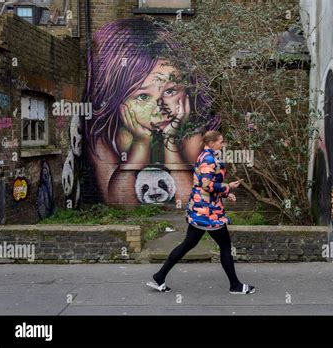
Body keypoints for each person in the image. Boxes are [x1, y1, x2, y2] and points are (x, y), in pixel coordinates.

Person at [83, 17, 219, 205]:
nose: (160, 109)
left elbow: (191, 202)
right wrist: (141, 144)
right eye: (143, 96)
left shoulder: (190, 136)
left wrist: (170, 143)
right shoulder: (107, 140)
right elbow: (120, 203)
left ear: (186, 93)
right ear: (119, 102)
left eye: (170, 91)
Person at [147, 131, 256, 295]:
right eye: (221, 141)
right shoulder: (208, 159)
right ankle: (235, 285)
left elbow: (205, 184)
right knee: (225, 246)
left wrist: (226, 193)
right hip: (208, 213)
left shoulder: (205, 155)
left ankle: (159, 276)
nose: (223, 144)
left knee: (188, 244)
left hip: (201, 209)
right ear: (211, 143)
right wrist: (228, 187)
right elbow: (206, 185)